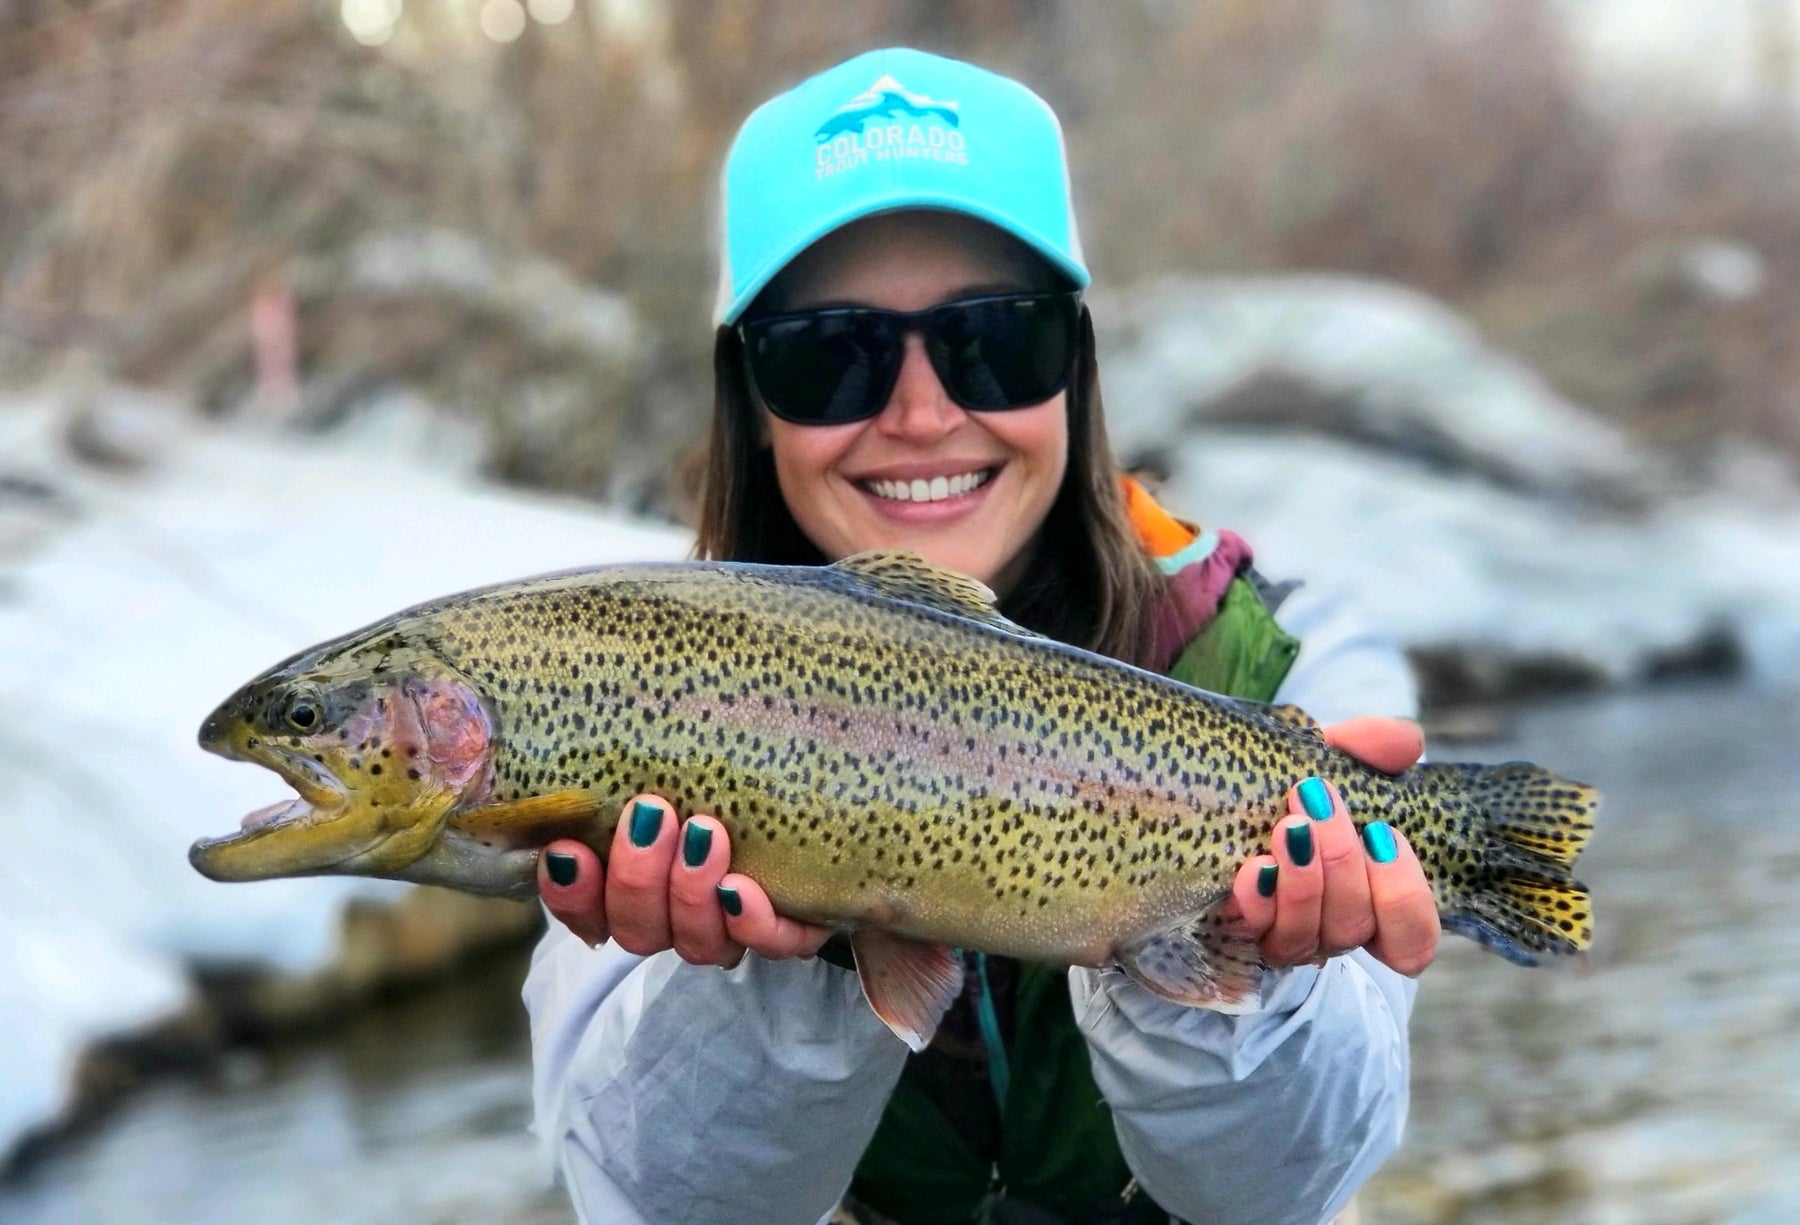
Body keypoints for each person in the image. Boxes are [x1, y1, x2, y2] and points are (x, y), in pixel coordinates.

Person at [523, 47, 1438, 1225]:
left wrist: (1237, 969)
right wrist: (770, 975)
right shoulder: (642, 686)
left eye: (995, 339)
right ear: (749, 403)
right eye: (830, 355)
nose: (919, 413)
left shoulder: (1283, 658)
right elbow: (661, 1206)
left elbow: (1290, 1187)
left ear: (1077, 368)